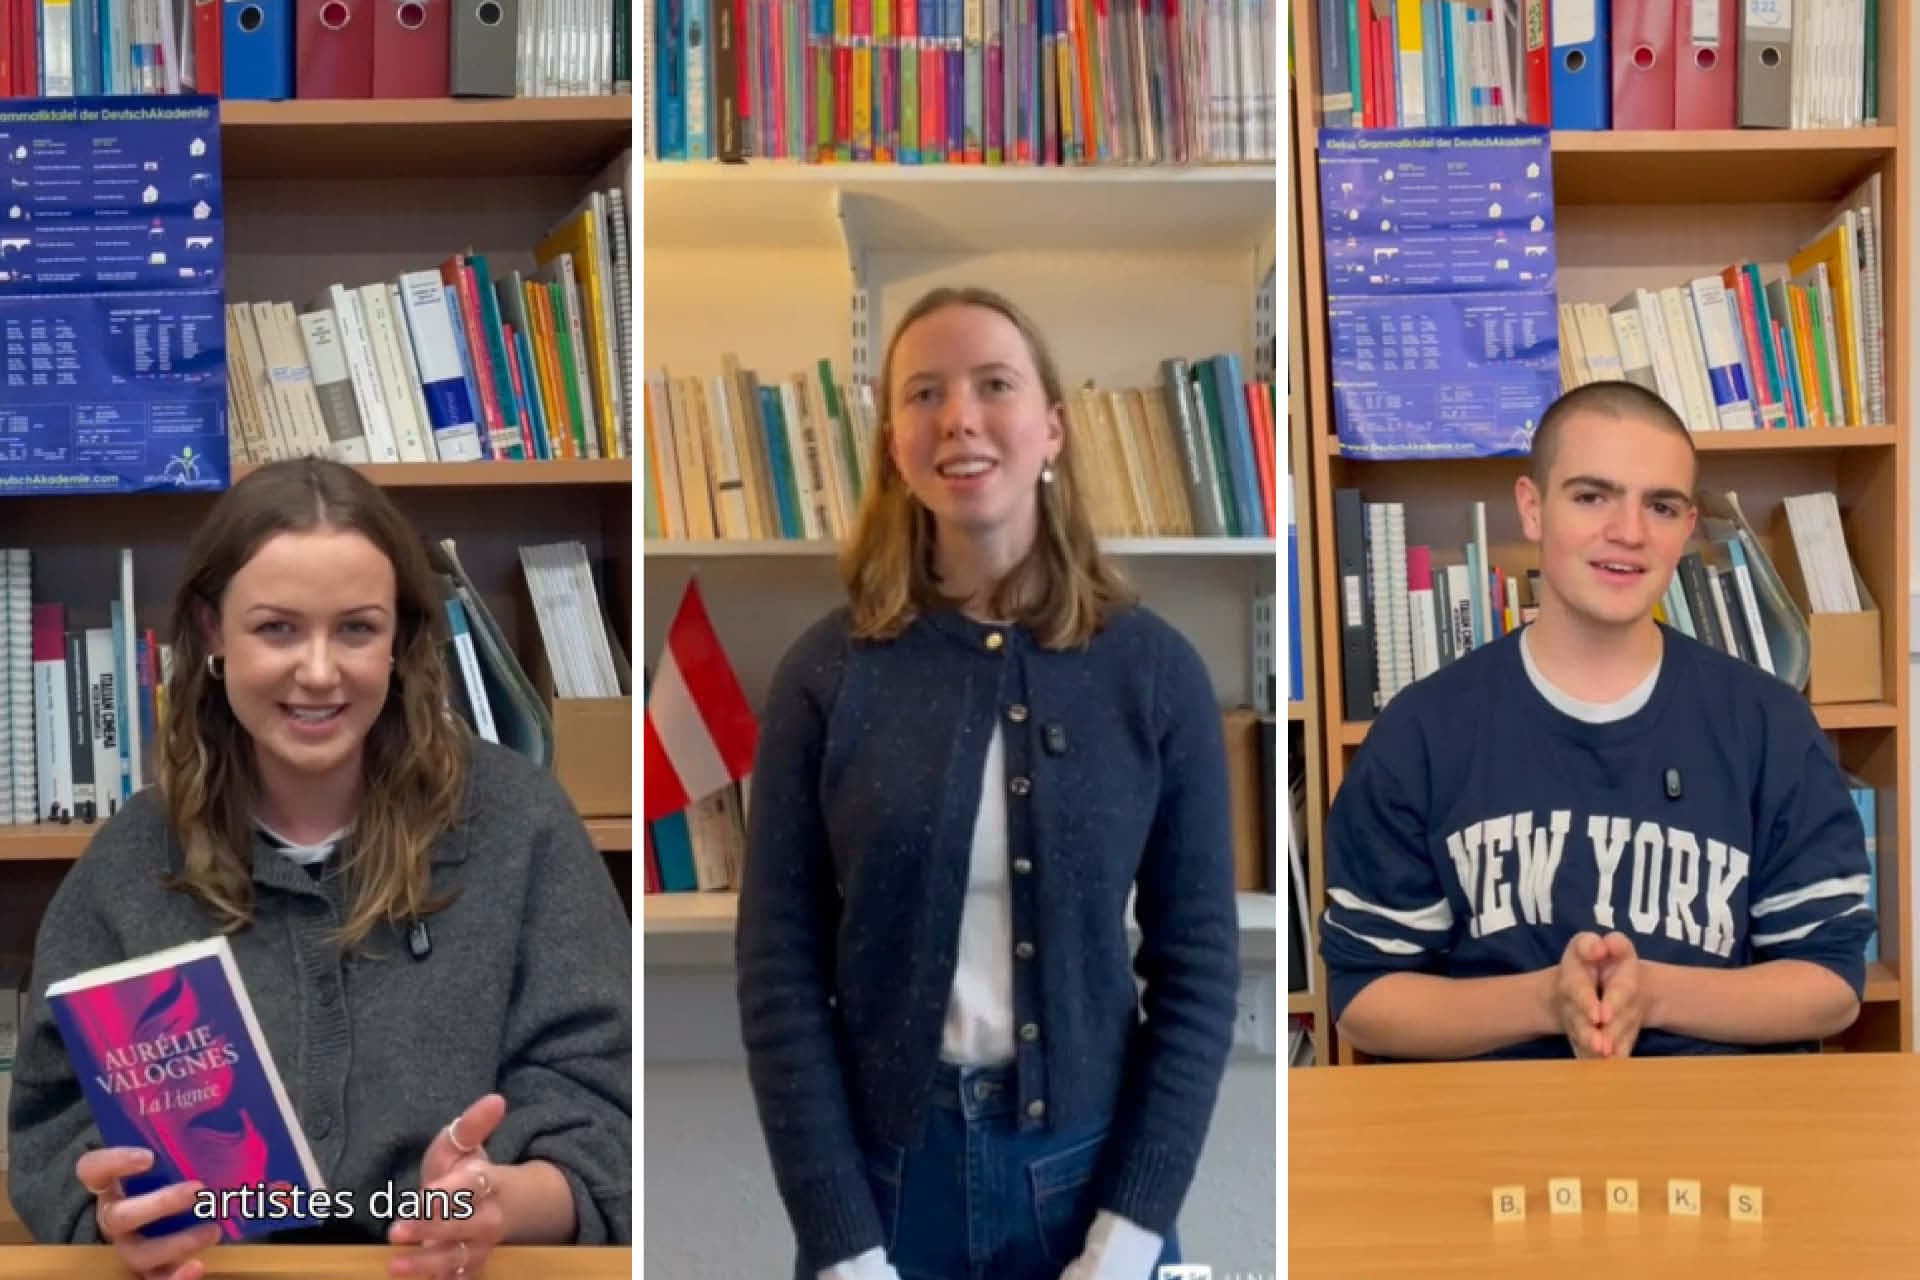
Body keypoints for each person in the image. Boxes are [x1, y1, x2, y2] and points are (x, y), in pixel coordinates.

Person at [6, 458, 632, 1279]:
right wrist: (114, 1213)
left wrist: (493, 1203)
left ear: (402, 639)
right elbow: (57, 1129)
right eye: (276, 628)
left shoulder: (522, 825)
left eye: (356, 629)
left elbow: (604, 1106)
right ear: (210, 633)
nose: (319, 671)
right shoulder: (130, 862)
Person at [735, 286, 1240, 1280]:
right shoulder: (826, 671)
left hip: (1092, 1177)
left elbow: (1199, 971)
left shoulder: (1154, 671)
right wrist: (841, 1242)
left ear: (1051, 426)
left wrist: (1131, 1230)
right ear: (892, 443)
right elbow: (779, 974)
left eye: (993, 385)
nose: (958, 415)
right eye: (924, 392)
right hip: (884, 1182)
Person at [1319, 379, 1873, 1062]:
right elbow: (1366, 1000)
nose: (1629, 532)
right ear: (1532, 508)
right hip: (1491, 1134)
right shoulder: (1421, 733)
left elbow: (1832, 983)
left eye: (1661, 506)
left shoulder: (1769, 724)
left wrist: (1656, 995)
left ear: (1686, 529)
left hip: (1717, 1132)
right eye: (1591, 496)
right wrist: (1549, 1000)